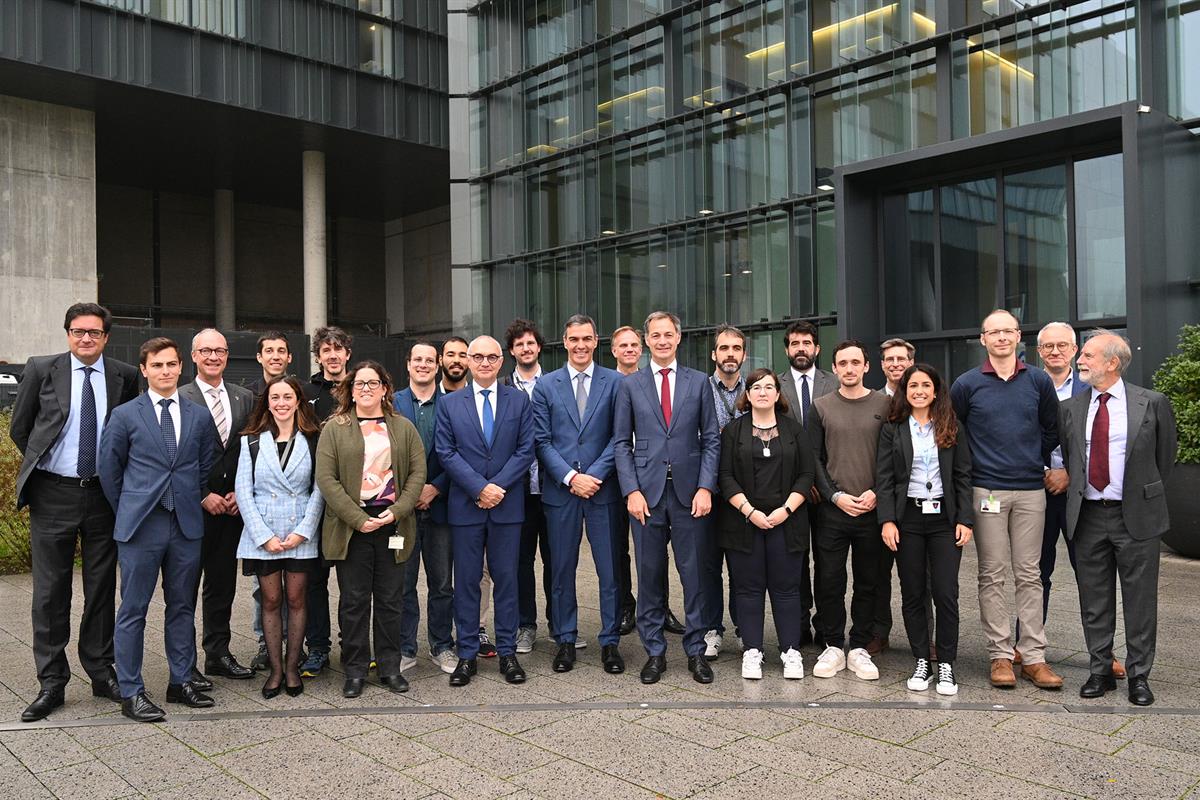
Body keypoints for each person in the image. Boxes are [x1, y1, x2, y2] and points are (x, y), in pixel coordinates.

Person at [10, 303, 139, 722]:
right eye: (78, 331)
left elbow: (130, 434)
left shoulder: (125, 376)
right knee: (50, 593)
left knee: (101, 587)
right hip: (53, 494)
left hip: (104, 495)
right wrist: (46, 470)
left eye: (94, 333)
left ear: (105, 337)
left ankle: (101, 672)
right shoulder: (41, 368)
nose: (86, 338)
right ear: (67, 333)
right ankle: (52, 682)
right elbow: (21, 428)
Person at [99, 337, 219, 722]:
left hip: (185, 524)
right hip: (141, 526)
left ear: (181, 366)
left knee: (182, 606)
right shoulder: (125, 415)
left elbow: (203, 466)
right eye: (157, 365)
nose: (165, 371)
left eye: (171, 364)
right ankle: (131, 691)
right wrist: (131, 508)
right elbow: (109, 469)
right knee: (133, 610)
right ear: (145, 369)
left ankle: (180, 680)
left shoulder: (198, 416)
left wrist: (186, 495)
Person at [1061, 331, 1177, 706]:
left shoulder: (1152, 403)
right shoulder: (1072, 408)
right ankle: (1100, 670)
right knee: (1094, 599)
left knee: (1140, 600)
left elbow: (1164, 459)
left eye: (1089, 355)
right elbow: (1071, 458)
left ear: (1112, 362)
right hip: (1089, 515)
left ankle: (1139, 676)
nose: (1081, 360)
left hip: (1137, 517)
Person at [950, 309, 1064, 691]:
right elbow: (956, 435)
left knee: (1030, 574)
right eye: (993, 332)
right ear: (982, 339)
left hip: (1032, 490)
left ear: (1019, 337)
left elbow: (1052, 429)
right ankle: (1000, 655)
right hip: (988, 492)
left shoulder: (1037, 381)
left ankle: (1033, 657)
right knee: (992, 573)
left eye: (1007, 331)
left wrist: (1033, 458)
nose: (1001, 337)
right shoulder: (966, 384)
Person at [614, 311, 720, 685]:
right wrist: (631, 491)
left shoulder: (699, 382)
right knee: (650, 576)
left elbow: (711, 438)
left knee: (694, 576)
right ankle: (655, 652)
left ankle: (696, 652)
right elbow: (621, 444)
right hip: (647, 496)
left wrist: (706, 487)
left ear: (678, 337)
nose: (662, 340)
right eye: (655, 335)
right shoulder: (630, 385)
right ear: (646, 341)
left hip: (691, 495)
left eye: (668, 334)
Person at [315, 361, 426, 697]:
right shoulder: (335, 427)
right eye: (359, 383)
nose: (365, 388)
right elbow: (326, 479)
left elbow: (418, 474)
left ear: (384, 388)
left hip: (392, 524)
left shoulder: (403, 427)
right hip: (353, 527)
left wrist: (396, 511)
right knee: (354, 601)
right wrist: (357, 518)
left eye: (372, 382)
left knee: (392, 600)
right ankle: (355, 669)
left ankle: (389, 667)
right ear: (350, 389)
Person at [436, 336, 536, 686]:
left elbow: (526, 450)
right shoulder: (450, 404)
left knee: (507, 580)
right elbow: (446, 452)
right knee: (466, 582)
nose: (484, 362)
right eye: (476, 356)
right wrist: (479, 488)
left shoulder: (519, 401)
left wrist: (497, 488)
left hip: (507, 506)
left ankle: (507, 653)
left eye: (491, 357)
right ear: (468, 360)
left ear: (501, 361)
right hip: (466, 505)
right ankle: (466, 655)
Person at [1028, 323, 1124, 674]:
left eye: (1063, 345)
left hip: (1080, 493)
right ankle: (1028, 646)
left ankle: (1103, 652)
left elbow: (1101, 440)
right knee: (1035, 573)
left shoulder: (1093, 385)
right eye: (1048, 346)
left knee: (1091, 573)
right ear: (1039, 351)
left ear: (1074, 350)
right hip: (1035, 489)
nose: (1055, 351)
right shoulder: (1029, 385)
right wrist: (1039, 470)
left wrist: (1070, 473)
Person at [532, 315, 624, 674]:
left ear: (596, 340)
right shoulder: (546, 386)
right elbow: (542, 441)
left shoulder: (614, 383)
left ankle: (611, 641)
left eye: (587, 338)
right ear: (564, 341)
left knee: (610, 570)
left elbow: (619, 437)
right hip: (561, 493)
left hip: (603, 491)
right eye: (574, 339)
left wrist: (593, 476)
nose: (581, 345)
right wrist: (572, 477)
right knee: (561, 569)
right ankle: (565, 639)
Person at [876, 364, 973, 697]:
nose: (918, 390)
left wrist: (965, 519)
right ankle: (922, 659)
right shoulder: (893, 428)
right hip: (909, 519)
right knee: (913, 592)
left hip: (945, 520)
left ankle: (945, 662)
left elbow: (963, 476)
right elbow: (885, 479)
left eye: (925, 385)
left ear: (936, 390)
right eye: (912, 385)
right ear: (905, 391)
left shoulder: (951, 425)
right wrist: (887, 520)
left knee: (946, 592)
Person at [717, 369, 813, 681]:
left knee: (787, 589)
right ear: (748, 394)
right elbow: (725, 476)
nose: (762, 392)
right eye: (756, 387)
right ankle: (752, 651)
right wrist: (749, 510)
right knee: (748, 589)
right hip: (744, 522)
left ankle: (790, 651)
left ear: (777, 393)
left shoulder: (794, 430)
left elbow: (806, 475)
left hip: (787, 521)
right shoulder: (733, 431)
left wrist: (786, 509)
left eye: (768, 387)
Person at [234, 376, 324, 698]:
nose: (282, 403)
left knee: (297, 600)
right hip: (265, 534)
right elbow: (243, 492)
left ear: (298, 401)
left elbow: (320, 488)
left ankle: (291, 668)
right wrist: (263, 536)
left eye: (288, 397)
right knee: (271, 600)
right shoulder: (252, 441)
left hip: (300, 532)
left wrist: (304, 531)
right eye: (276, 397)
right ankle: (274, 669)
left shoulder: (314, 438)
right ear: (267, 402)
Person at [808, 340, 890, 682]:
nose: (850, 368)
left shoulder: (885, 405)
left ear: (867, 366)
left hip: (872, 507)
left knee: (869, 580)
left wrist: (877, 492)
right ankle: (832, 643)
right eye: (843, 363)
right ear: (835, 368)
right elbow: (813, 459)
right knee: (829, 579)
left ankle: (858, 645)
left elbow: (895, 457)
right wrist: (834, 496)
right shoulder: (821, 406)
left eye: (856, 362)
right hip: (833, 510)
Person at [179, 329, 255, 684]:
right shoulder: (179, 397)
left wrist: (242, 491)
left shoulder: (244, 398)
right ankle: (185, 662)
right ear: (193, 355)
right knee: (185, 587)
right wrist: (201, 494)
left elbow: (252, 451)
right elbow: (173, 456)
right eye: (206, 350)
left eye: (220, 350)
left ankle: (218, 653)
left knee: (222, 585)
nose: (213, 356)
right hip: (193, 509)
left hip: (231, 509)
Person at [610, 326, 684, 638]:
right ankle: (628, 606)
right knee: (621, 548)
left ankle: (659, 607)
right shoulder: (609, 383)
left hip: (656, 478)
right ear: (613, 350)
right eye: (622, 345)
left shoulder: (653, 379)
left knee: (656, 549)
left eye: (633, 344)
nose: (629, 349)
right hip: (617, 477)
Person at [394, 341, 458, 675]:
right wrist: (411, 492)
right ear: (408, 365)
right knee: (403, 583)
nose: (423, 364)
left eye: (429, 360)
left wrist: (436, 487)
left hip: (442, 506)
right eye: (417, 359)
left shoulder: (453, 403)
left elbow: (463, 451)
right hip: (402, 512)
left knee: (442, 583)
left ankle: (441, 645)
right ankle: (406, 648)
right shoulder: (392, 404)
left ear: (438, 366)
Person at [776, 321, 836, 648]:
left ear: (817, 348)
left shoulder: (836, 382)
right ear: (787, 349)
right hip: (790, 491)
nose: (801, 348)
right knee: (795, 561)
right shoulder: (774, 385)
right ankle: (798, 624)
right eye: (795, 343)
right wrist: (801, 483)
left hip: (828, 490)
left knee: (827, 562)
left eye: (807, 343)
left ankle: (826, 625)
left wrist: (820, 481)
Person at [299, 326, 352, 679]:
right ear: (319, 355)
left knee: (353, 583)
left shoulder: (363, 386)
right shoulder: (305, 392)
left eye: (338, 349)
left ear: (348, 353)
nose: (332, 355)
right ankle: (318, 647)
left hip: (353, 502)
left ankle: (352, 645)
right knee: (314, 582)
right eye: (326, 350)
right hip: (313, 500)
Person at [502, 319, 555, 654]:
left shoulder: (554, 384)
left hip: (551, 488)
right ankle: (526, 625)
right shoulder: (503, 387)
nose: (526, 349)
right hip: (517, 492)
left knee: (556, 560)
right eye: (519, 344)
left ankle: (559, 622)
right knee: (520, 563)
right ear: (512, 350)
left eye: (531, 343)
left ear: (539, 348)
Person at [248, 330, 297, 671]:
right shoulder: (248, 396)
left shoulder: (302, 393)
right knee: (263, 590)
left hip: (297, 518)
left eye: (281, 350)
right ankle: (267, 645)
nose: (276, 355)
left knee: (299, 591)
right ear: (259, 357)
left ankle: (299, 645)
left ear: (289, 357)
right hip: (259, 511)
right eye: (269, 350)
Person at [703, 324, 747, 660]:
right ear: (714, 354)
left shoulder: (758, 389)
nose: (729, 354)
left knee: (742, 565)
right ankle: (711, 630)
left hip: (746, 494)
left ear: (743, 354)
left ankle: (745, 629)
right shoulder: (699, 390)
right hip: (707, 491)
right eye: (723, 348)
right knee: (707, 566)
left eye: (736, 348)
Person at [870, 338, 915, 656]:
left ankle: (922, 636)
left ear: (911, 361)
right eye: (890, 359)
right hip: (879, 497)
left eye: (901, 358)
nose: (896, 363)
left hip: (916, 501)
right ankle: (878, 632)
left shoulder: (926, 398)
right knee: (877, 573)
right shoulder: (873, 402)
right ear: (882, 365)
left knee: (918, 575)